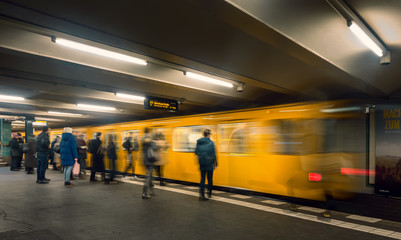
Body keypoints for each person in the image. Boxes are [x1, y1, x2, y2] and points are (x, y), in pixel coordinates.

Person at [195, 129, 217, 201]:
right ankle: (209, 193)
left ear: (204, 134)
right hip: (209, 163)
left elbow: (196, 153)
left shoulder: (199, 142)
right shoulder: (211, 143)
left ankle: (201, 195)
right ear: (209, 135)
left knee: (202, 179)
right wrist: (215, 163)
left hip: (202, 164)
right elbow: (214, 154)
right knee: (210, 179)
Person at [141, 127, 158, 199]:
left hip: (145, 160)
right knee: (148, 177)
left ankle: (151, 191)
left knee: (150, 176)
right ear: (148, 132)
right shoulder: (149, 139)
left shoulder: (142, 139)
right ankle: (144, 194)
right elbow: (155, 147)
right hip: (150, 160)